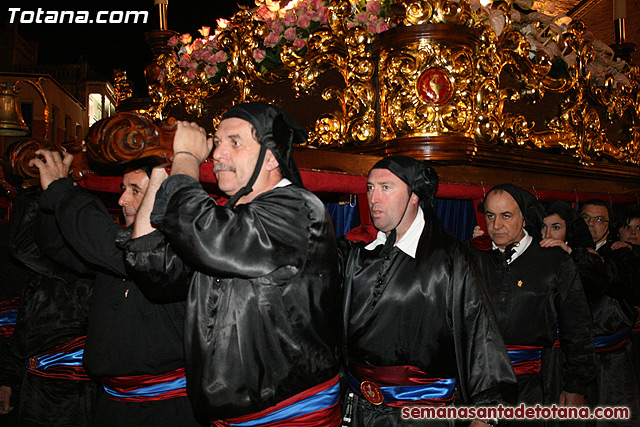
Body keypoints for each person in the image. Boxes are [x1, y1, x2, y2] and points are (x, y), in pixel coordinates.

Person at [121, 102, 343, 426]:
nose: (218, 155)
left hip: (288, 414)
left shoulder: (298, 210)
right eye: (216, 143)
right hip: (227, 416)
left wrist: (186, 159)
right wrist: (160, 165)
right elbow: (153, 267)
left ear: (271, 156)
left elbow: (204, 233)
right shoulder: (228, 219)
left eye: (234, 142)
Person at [339, 156, 516, 427]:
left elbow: (480, 333)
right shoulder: (360, 252)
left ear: (414, 196)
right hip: (359, 411)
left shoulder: (449, 258)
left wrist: (486, 411)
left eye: (386, 187)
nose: (374, 198)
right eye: (370, 187)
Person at [28, 153, 203, 426]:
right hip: (112, 404)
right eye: (123, 188)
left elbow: (110, 246)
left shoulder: (177, 254)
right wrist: (50, 196)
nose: (122, 200)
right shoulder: (115, 248)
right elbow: (55, 245)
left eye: (135, 190)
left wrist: (62, 191)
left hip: (166, 410)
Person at [472, 184, 595, 427]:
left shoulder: (554, 261)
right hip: (476, 385)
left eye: (506, 216)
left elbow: (577, 326)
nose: (496, 225)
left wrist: (576, 385)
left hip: (532, 388)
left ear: (524, 218)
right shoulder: (470, 256)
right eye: (490, 215)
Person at [1, 186, 100, 426]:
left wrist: (41, 188)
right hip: (33, 382)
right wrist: (8, 379)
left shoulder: (86, 262)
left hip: (71, 391)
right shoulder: (44, 266)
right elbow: (20, 326)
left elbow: (22, 247)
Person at [579, 199, 640, 426]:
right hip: (574, 359)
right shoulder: (562, 250)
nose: (591, 224)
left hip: (612, 358)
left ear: (608, 226)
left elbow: (614, 285)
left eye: (599, 219)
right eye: (585, 218)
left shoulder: (620, 253)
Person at [615, 210, 640, 386]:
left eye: (638, 228)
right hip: (622, 336)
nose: (632, 233)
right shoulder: (610, 256)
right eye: (627, 227)